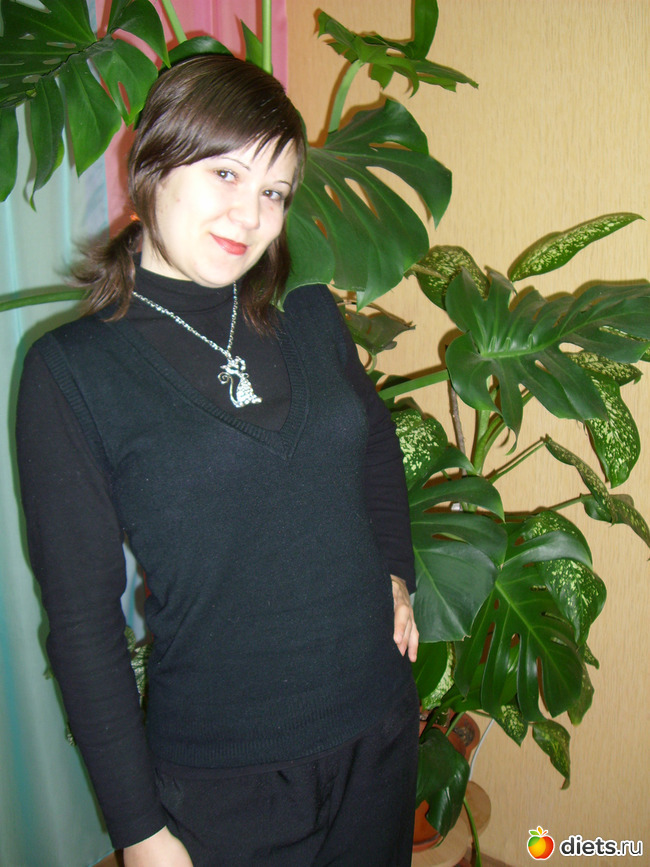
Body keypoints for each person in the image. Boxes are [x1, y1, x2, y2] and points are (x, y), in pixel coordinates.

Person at [16, 54, 419, 867]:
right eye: (226, 173)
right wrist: (138, 830)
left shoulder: (309, 313)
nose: (251, 214)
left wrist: (397, 573)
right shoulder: (72, 373)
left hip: (377, 734)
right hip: (225, 785)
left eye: (275, 191)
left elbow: (374, 441)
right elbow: (86, 625)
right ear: (152, 162)